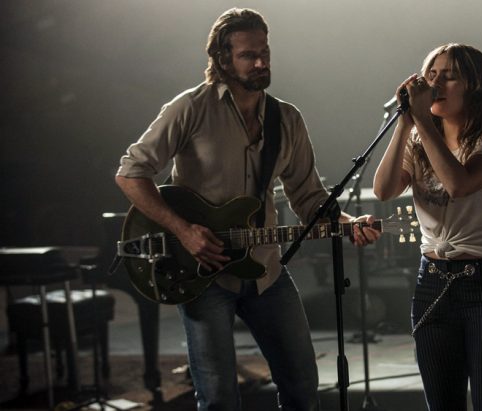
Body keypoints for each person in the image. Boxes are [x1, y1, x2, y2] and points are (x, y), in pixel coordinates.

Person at [115, 8, 380, 411]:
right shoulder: (190, 108)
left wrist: (346, 223)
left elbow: (309, 198)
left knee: (304, 390)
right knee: (219, 399)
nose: (261, 62)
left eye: (265, 52)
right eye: (248, 55)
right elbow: (131, 173)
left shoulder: (287, 118)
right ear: (223, 60)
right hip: (204, 277)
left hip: (266, 272)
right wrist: (183, 230)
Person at [373, 43, 482, 410]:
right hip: (432, 282)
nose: (436, 83)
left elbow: (459, 185)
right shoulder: (418, 136)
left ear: (475, 85)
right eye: (431, 74)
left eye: (449, 76)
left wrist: (423, 122)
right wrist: (406, 124)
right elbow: (384, 190)